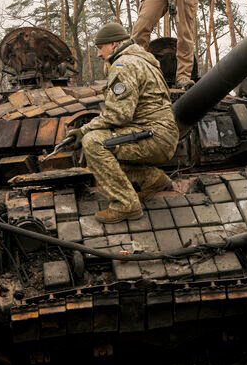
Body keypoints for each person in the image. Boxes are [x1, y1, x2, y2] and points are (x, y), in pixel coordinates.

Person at [63, 22, 179, 223]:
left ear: (114, 44)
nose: (99, 54)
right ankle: (153, 179)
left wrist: (84, 130)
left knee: (93, 143)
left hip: (152, 136)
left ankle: (126, 205)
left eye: (100, 48)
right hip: (160, 134)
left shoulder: (123, 65)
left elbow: (118, 114)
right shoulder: (143, 61)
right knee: (107, 151)